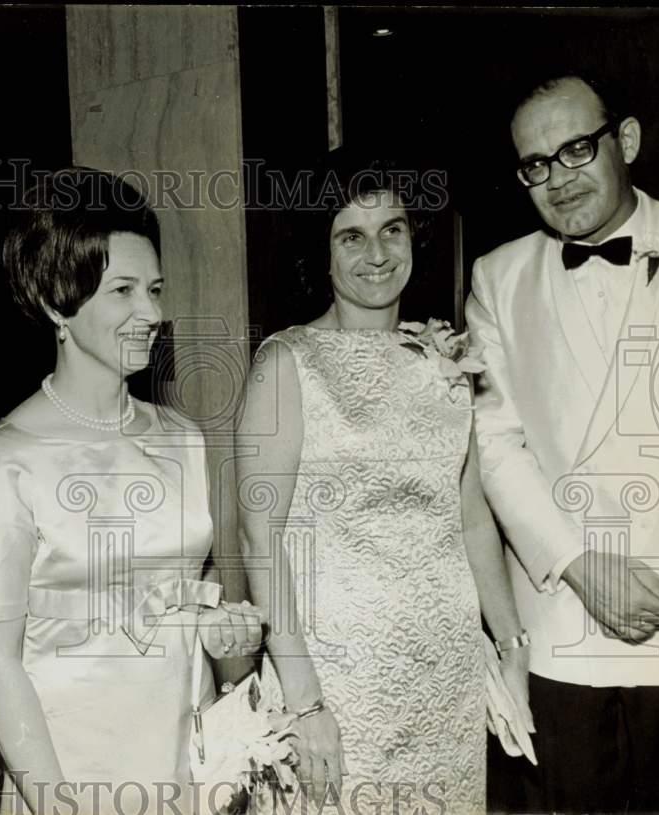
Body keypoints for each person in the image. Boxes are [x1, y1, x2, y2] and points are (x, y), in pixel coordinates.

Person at [235, 160, 532, 814]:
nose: (377, 253)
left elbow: (472, 513)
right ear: (324, 250)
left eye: (392, 229)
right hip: (334, 677)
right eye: (352, 235)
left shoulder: (448, 357)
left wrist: (511, 644)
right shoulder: (287, 362)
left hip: (445, 672)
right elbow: (261, 536)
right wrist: (305, 698)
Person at [0, 167, 264, 815]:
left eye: (156, 289)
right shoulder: (7, 458)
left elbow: (192, 600)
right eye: (124, 290)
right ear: (56, 303)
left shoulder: (185, 438)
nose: (154, 313)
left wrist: (224, 634)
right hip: (72, 768)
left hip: (180, 759)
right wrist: (53, 801)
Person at [465, 73, 659, 813]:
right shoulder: (498, 276)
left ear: (624, 141)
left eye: (574, 151)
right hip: (563, 621)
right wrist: (576, 563)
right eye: (535, 165)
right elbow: (495, 444)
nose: (556, 180)